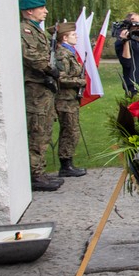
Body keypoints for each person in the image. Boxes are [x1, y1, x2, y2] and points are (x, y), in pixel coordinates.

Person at [19, 0, 62, 192]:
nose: (45, 11)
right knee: (37, 130)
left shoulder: (37, 30)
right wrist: (48, 68)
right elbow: (30, 56)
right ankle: (35, 174)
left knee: (44, 130)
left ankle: (40, 171)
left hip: (43, 87)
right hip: (35, 88)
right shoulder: (25, 30)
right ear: (30, 11)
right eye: (41, 8)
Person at [53, 22, 87, 178]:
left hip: (71, 99)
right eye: (73, 34)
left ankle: (68, 163)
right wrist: (80, 82)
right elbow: (61, 78)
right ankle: (65, 165)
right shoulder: (62, 54)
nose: (76, 36)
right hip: (64, 99)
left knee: (71, 130)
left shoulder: (70, 52)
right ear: (64, 37)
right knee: (69, 131)